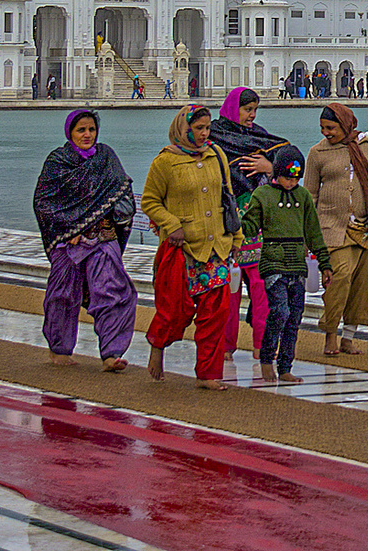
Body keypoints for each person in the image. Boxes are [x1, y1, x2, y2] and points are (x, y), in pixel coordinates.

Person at [141, 105, 239, 389]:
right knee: (175, 311)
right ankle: (158, 346)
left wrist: (237, 238)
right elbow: (149, 201)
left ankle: (208, 374)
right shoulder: (165, 162)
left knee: (215, 314)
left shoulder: (216, 155)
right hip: (183, 250)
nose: (204, 134)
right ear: (184, 129)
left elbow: (228, 198)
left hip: (216, 248)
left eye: (208, 128)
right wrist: (171, 224)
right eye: (199, 129)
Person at [33, 109, 138, 371]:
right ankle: (60, 349)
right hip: (68, 243)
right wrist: (69, 228)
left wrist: (117, 215)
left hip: (102, 238)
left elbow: (122, 191)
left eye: (91, 129)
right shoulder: (58, 162)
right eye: (81, 130)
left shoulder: (106, 157)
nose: (87, 135)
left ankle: (112, 353)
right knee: (62, 296)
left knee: (113, 291)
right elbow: (44, 203)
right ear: (70, 132)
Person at [305, 102, 368, 356]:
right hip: (333, 229)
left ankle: (349, 336)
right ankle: (330, 333)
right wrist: (308, 234)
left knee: (364, 283)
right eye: (323, 128)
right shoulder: (317, 153)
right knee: (340, 278)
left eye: (331, 128)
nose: (326, 133)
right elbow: (310, 196)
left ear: (345, 124)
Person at [209, 87, 291, 365]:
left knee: (261, 288)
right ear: (233, 108)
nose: (251, 116)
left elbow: (289, 161)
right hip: (223, 227)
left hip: (255, 227)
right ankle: (225, 346)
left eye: (255, 110)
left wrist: (270, 168)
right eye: (247, 110)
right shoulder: (213, 136)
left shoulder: (259, 138)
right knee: (226, 292)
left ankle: (262, 347)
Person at [241, 146, 331, 382]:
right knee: (279, 311)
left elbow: (313, 231)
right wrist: (234, 224)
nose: (292, 183)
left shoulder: (302, 197)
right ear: (276, 173)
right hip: (273, 261)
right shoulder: (262, 195)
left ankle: (285, 366)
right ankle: (266, 358)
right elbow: (249, 227)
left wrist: (325, 263)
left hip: (297, 264)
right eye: (287, 177)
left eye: (295, 178)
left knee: (294, 318)